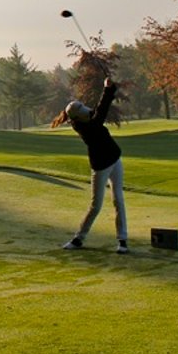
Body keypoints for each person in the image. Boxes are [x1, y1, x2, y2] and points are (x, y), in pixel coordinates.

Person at [52, 76, 129, 254]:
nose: (86, 109)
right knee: (96, 206)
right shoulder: (84, 127)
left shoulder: (86, 117)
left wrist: (110, 88)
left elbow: (100, 109)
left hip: (115, 159)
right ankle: (78, 239)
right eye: (81, 109)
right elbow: (100, 114)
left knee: (118, 200)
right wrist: (107, 89)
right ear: (76, 117)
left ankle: (122, 240)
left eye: (82, 106)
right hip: (101, 167)